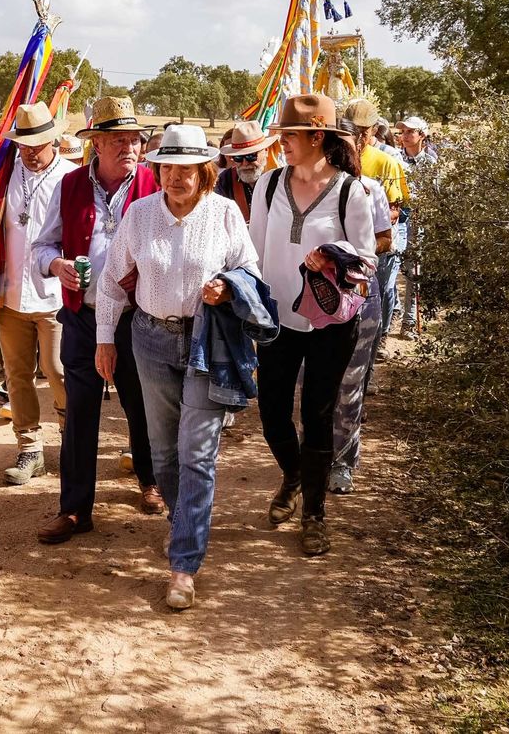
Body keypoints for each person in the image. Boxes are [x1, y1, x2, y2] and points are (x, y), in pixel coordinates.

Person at [98, 125, 263, 609]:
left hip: (206, 342)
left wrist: (228, 288)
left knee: (197, 454)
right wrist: (106, 340)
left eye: (185, 168)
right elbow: (110, 283)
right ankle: (184, 521)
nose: (174, 176)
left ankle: (183, 564)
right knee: (164, 453)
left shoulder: (226, 213)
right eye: (167, 166)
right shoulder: (140, 215)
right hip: (149, 338)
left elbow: (249, 270)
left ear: (204, 171)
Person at [250, 94, 377, 556]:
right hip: (276, 319)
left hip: (330, 324)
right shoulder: (267, 185)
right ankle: (294, 474)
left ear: (316, 136)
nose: (282, 143)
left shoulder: (350, 191)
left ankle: (315, 515)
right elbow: (253, 253)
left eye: (289, 136)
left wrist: (333, 258)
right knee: (271, 413)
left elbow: (367, 259)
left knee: (318, 417)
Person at [34, 96, 164, 544]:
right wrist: (57, 267)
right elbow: (43, 247)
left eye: (135, 140)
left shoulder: (155, 183)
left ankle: (150, 481)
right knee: (81, 413)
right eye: (120, 140)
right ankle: (73, 509)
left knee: (141, 405)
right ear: (98, 144)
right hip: (82, 317)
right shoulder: (68, 185)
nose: (131, 148)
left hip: (138, 318)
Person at [0, 103, 72, 485]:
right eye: (24, 143)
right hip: (8, 294)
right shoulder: (3, 175)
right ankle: (29, 448)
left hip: (55, 297)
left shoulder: (71, 177)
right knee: (17, 375)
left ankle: (70, 440)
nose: (30, 150)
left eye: (38, 143)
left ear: (53, 140)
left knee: (60, 371)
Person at [330, 117, 395, 495]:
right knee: (312, 387)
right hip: (311, 305)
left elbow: (385, 239)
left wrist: (354, 250)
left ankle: (344, 462)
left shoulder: (370, 190)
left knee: (350, 385)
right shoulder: (294, 191)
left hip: (358, 299)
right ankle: (316, 457)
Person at [344, 99, 409, 350]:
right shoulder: (334, 157)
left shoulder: (387, 161)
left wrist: (364, 225)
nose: (359, 136)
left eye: (363, 130)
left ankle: (376, 344)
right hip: (343, 247)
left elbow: (396, 210)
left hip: (378, 246)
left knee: (378, 295)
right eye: (353, 130)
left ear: (374, 129)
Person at [395, 115, 436, 340]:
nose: (405, 136)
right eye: (403, 132)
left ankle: (409, 322)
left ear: (422, 135)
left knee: (414, 272)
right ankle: (394, 310)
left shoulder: (431, 163)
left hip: (418, 221)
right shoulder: (395, 160)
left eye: (411, 132)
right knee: (392, 271)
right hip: (397, 219)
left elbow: (436, 194)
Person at [215, 120, 276, 222]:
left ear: (266, 151)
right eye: (238, 157)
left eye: (251, 156)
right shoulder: (225, 180)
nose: (245, 163)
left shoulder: (280, 179)